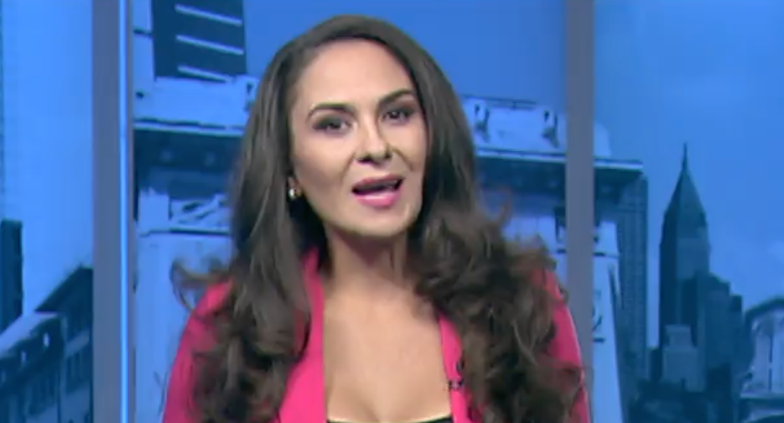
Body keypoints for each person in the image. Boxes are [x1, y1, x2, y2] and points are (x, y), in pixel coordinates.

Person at [164, 14, 589, 423]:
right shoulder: (231, 324)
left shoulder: (519, 304)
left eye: (396, 114)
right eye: (333, 125)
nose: (376, 146)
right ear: (290, 168)